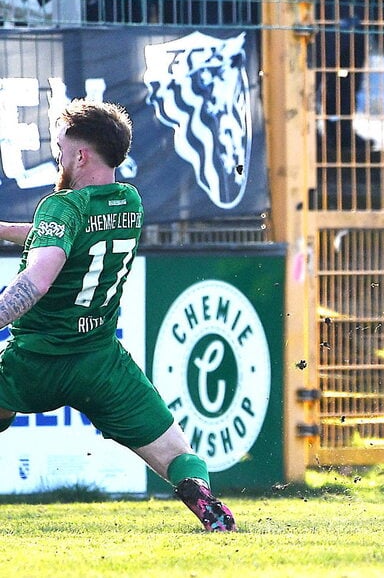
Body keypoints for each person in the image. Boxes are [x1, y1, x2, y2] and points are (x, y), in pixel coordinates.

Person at [0, 100, 236, 532]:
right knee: (178, 454)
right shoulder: (128, 203)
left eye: (60, 148)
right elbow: (59, 238)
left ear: (80, 155)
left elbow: (39, 278)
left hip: (33, 360)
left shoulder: (63, 206)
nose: (58, 156)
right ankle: (207, 507)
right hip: (100, 364)